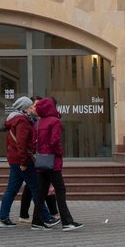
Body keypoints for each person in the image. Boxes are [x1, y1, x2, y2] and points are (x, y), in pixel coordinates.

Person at [0, 97, 55, 228]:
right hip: (21, 160)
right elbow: (21, 143)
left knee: (12, 189)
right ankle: (45, 217)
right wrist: (23, 161)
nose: (33, 108)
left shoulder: (15, 119)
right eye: (30, 107)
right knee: (36, 188)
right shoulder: (22, 121)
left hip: (14, 159)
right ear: (25, 109)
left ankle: (3, 217)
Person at [32, 96, 82, 231]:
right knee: (60, 190)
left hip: (42, 161)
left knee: (42, 192)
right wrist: (59, 153)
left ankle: (36, 221)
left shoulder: (37, 123)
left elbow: (33, 144)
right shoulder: (55, 122)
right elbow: (55, 141)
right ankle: (67, 222)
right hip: (53, 161)